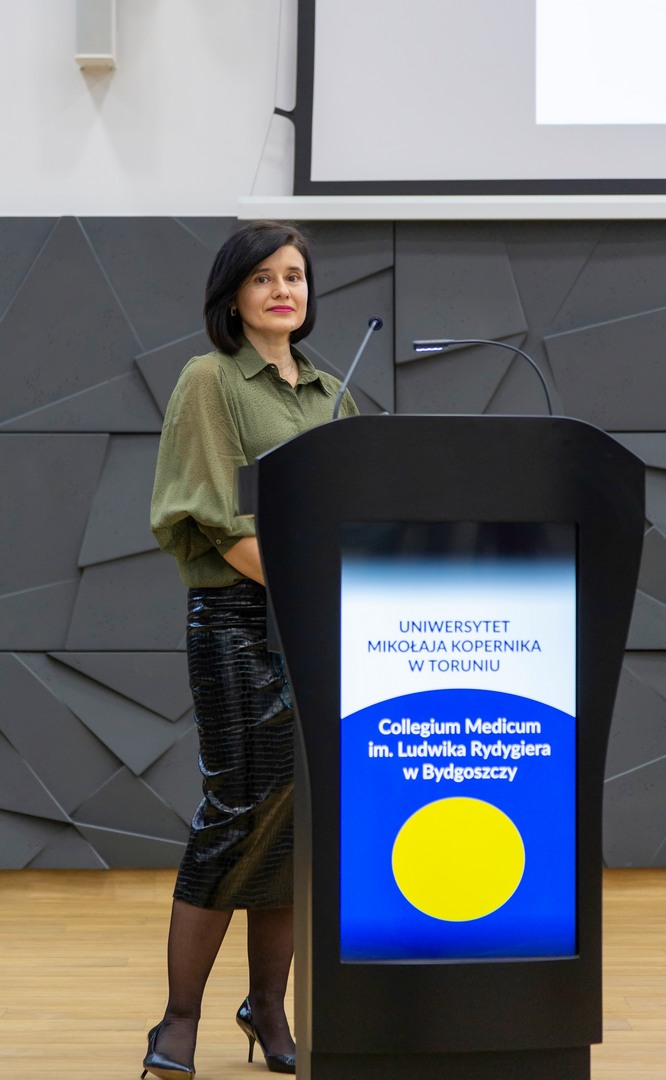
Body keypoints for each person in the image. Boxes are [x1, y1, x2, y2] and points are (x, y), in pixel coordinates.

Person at [143, 220, 358, 1080]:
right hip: (239, 619)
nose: (282, 290)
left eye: (294, 276)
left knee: (299, 824)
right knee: (237, 811)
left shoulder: (333, 393)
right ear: (233, 296)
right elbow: (214, 518)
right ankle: (178, 1021)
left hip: (320, 622)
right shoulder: (211, 380)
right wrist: (312, 588)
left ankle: (268, 1008)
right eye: (263, 277)